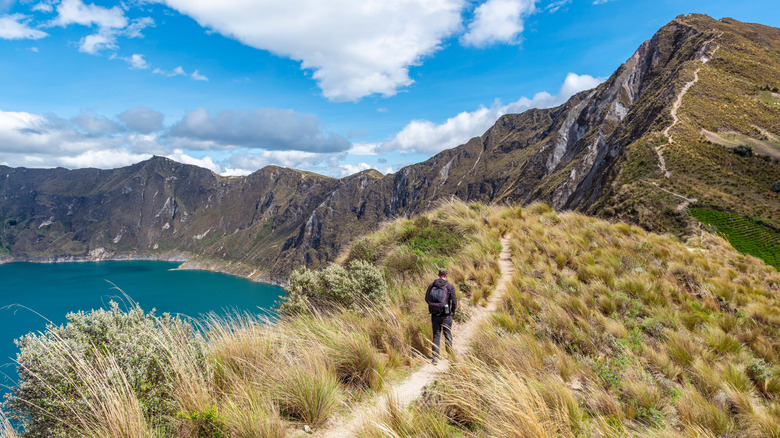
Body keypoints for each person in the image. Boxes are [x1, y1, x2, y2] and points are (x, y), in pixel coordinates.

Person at [425, 268, 457, 365]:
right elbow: (454, 300)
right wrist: (453, 310)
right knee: (447, 333)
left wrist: (435, 307)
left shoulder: (432, 285)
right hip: (446, 315)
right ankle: (450, 353)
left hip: (435, 315)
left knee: (436, 335)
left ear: (438, 274)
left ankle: (435, 357)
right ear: (446, 276)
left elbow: (427, 299)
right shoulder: (449, 286)